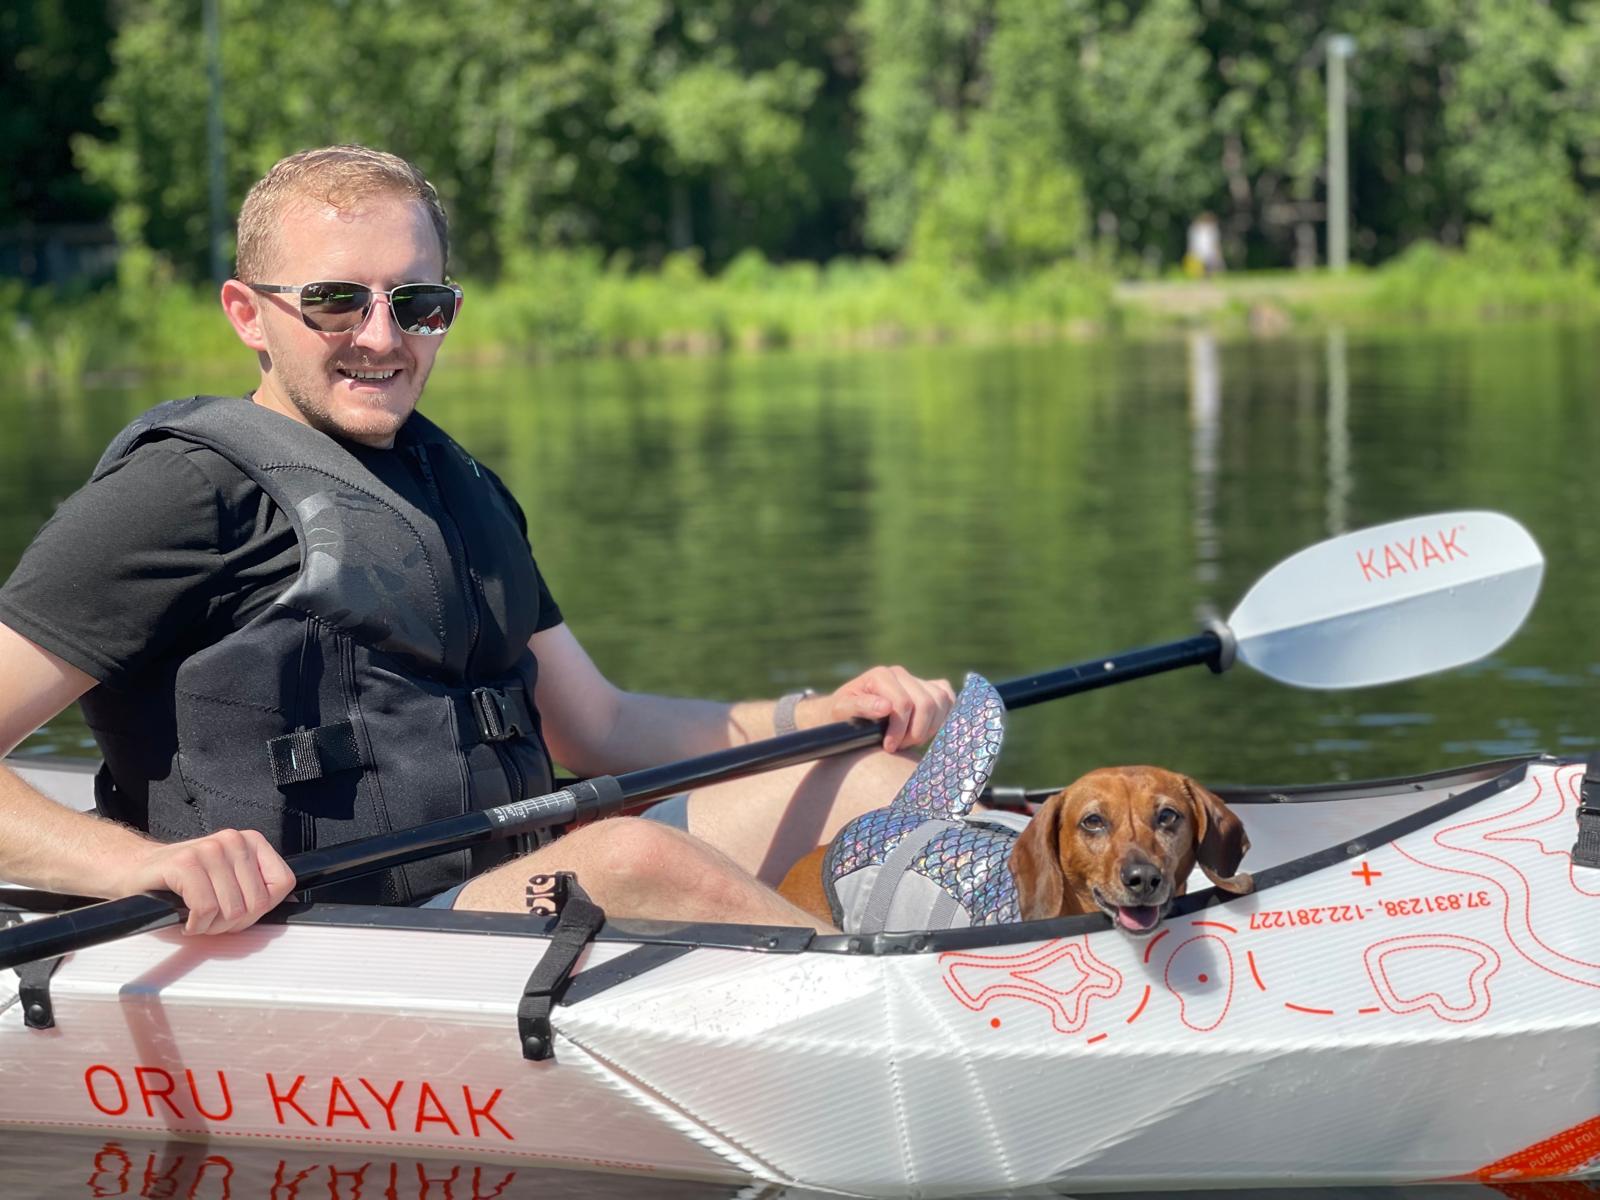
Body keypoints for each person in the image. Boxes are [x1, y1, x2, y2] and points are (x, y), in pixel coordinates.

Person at [0, 144, 953, 935]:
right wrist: (145, 866)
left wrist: (812, 715)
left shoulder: (459, 489)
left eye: (418, 304)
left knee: (867, 781)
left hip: (496, 892)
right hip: (320, 936)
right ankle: (922, 1027)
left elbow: (601, 727)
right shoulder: (175, 493)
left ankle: (1026, 981)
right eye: (336, 301)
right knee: (631, 858)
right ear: (249, 312)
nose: (382, 337)